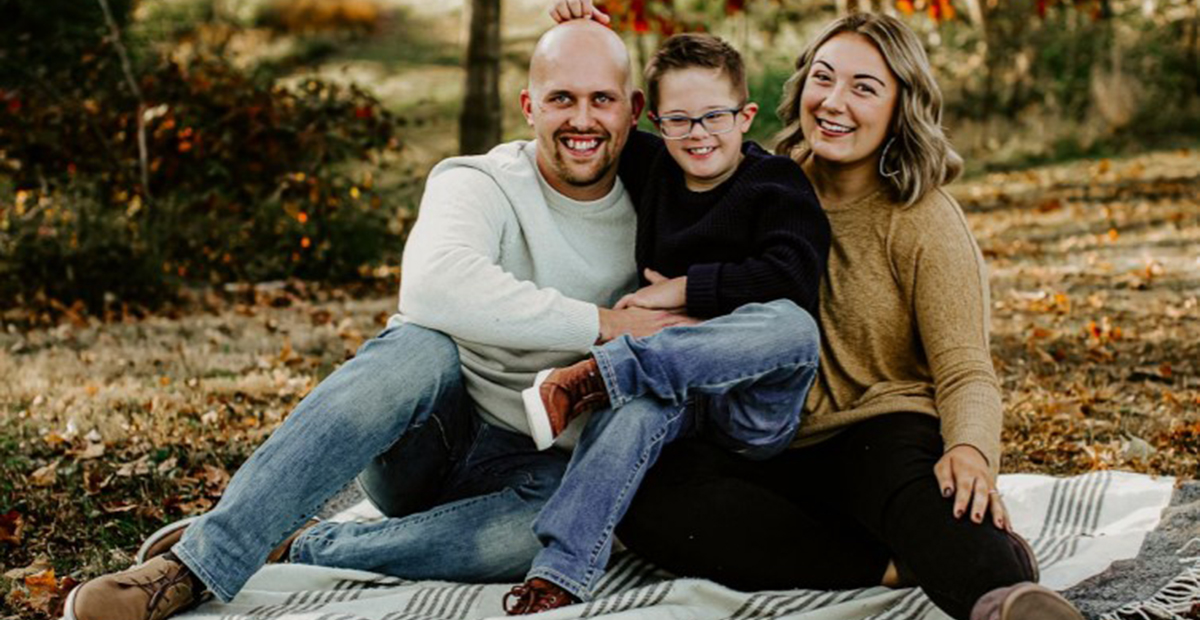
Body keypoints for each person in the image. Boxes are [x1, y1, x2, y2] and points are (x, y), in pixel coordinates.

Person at [63, 20, 694, 620]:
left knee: (585, 524)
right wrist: (604, 322)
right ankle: (194, 565)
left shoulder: (665, 205)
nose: (582, 120)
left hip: (537, 471)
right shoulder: (479, 181)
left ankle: (306, 547)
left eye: (601, 100)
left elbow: (733, 159)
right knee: (418, 347)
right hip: (428, 438)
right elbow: (433, 285)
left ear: (634, 110)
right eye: (561, 98)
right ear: (528, 106)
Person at [549, 5, 1085, 620]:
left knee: (931, 494)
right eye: (823, 78)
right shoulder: (754, 180)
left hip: (873, 428)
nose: (834, 102)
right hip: (762, 434)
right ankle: (881, 564)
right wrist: (587, 34)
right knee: (650, 502)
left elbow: (966, 368)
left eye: (864, 87)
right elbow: (638, 123)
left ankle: (1006, 601)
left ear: (898, 105)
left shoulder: (923, 219)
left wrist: (971, 450)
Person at [504, 33, 830, 613]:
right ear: (651, 121)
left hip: (749, 405)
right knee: (637, 406)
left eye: (715, 117)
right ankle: (556, 576)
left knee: (792, 325)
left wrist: (680, 291)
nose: (698, 133)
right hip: (665, 390)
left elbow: (791, 279)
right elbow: (587, 118)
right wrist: (583, 25)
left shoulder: (776, 184)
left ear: (745, 115)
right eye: (678, 120)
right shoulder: (653, 165)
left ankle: (600, 375)